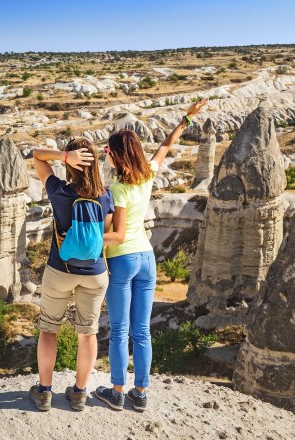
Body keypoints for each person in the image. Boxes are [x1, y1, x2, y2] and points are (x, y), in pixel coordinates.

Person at [95, 99, 208, 412]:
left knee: (119, 331)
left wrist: (87, 238)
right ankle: (140, 392)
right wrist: (187, 118)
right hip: (148, 258)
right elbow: (167, 144)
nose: (107, 154)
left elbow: (116, 234)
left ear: (117, 155)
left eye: (109, 151)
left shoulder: (117, 188)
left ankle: (117, 391)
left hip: (123, 259)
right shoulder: (147, 174)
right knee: (141, 331)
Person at [29, 138, 113, 412]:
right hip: (95, 273)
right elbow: (103, 236)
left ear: (72, 163)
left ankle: (44, 392)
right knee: (87, 333)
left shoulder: (59, 191)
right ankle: (79, 393)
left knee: (49, 329)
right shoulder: (105, 196)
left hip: (61, 270)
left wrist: (63, 155)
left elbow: (37, 157)